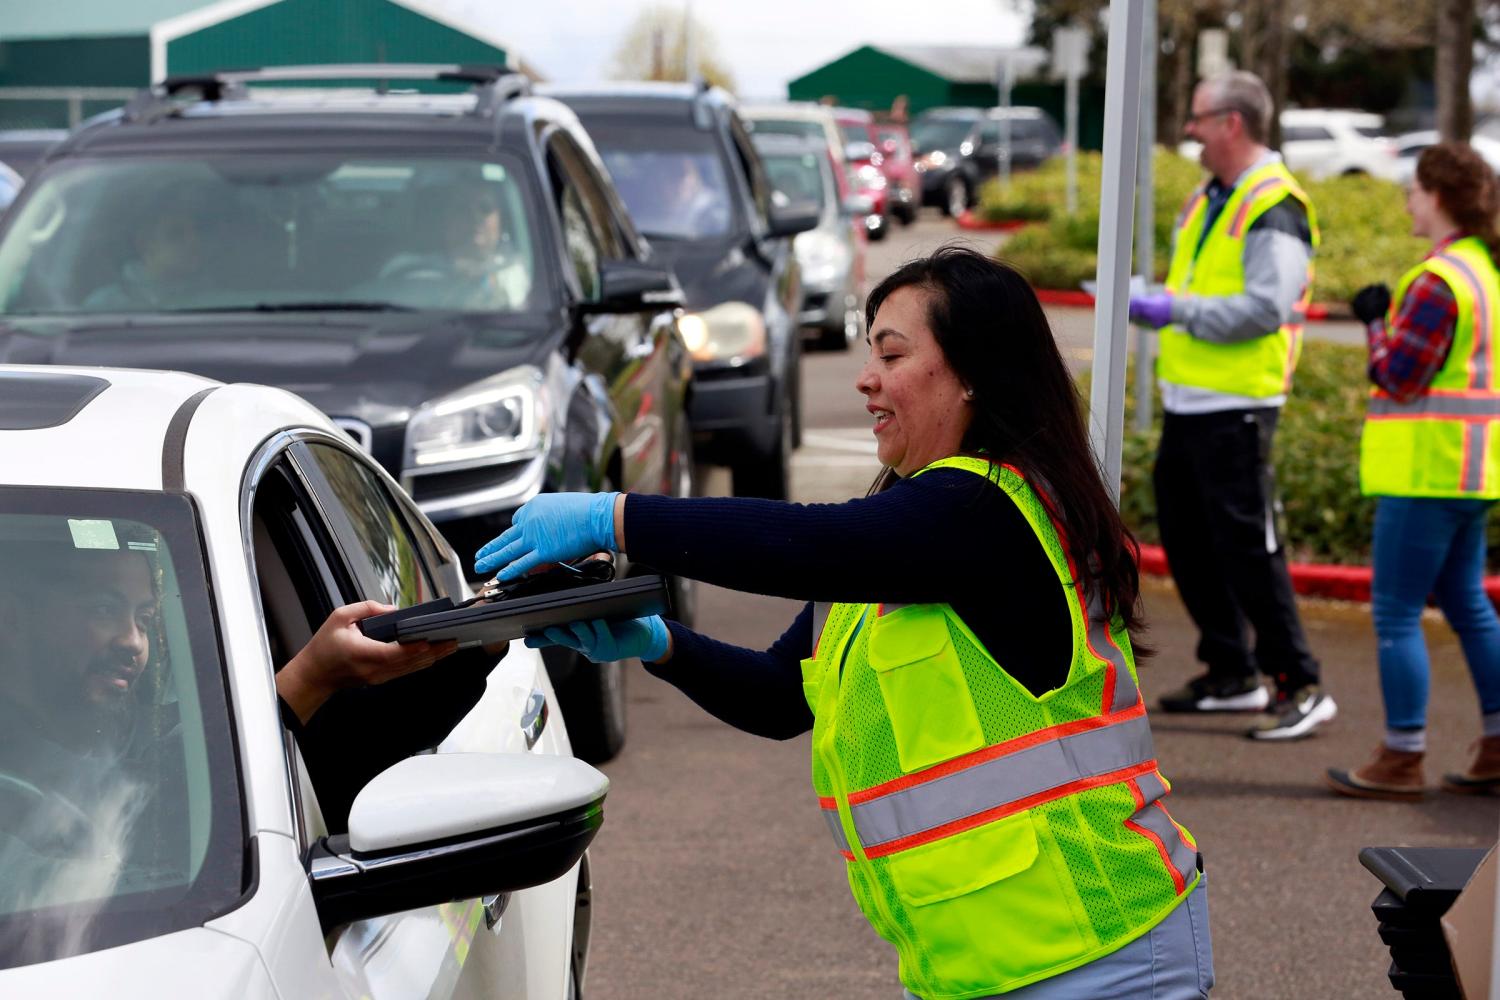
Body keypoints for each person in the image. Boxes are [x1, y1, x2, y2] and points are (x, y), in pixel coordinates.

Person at [473, 247, 1213, 998]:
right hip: (982, 966)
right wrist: (660, 645)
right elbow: (778, 696)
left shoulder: (984, 509)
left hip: (1102, 952)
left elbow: (809, 543)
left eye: (891, 354)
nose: (866, 379)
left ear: (972, 375)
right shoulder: (904, 541)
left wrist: (616, 517)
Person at [1127, 70, 1335, 740]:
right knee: (1189, 538)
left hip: (1238, 402)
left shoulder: (1274, 202)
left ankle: (1298, 682)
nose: (1189, 131)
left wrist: (1171, 309)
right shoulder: (1212, 197)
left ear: (1232, 124)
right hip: (1192, 400)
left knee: (1249, 547)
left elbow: (1264, 309)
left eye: (1198, 118)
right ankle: (1232, 670)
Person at [1327, 142, 1500, 800]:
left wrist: (1374, 323)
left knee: (1397, 614)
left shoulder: (1438, 280)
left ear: (1438, 197)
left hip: (1423, 472)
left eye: (1413, 191)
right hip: (1472, 471)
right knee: (1469, 605)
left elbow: (1398, 377)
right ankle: (1495, 742)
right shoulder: (1486, 271)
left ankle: (1401, 756)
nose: (1406, 201)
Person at [377, 183, 530, 310]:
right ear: (445, 220)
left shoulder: (521, 272)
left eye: (485, 208)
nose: (476, 217)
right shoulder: (406, 269)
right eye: (462, 209)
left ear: (500, 219)